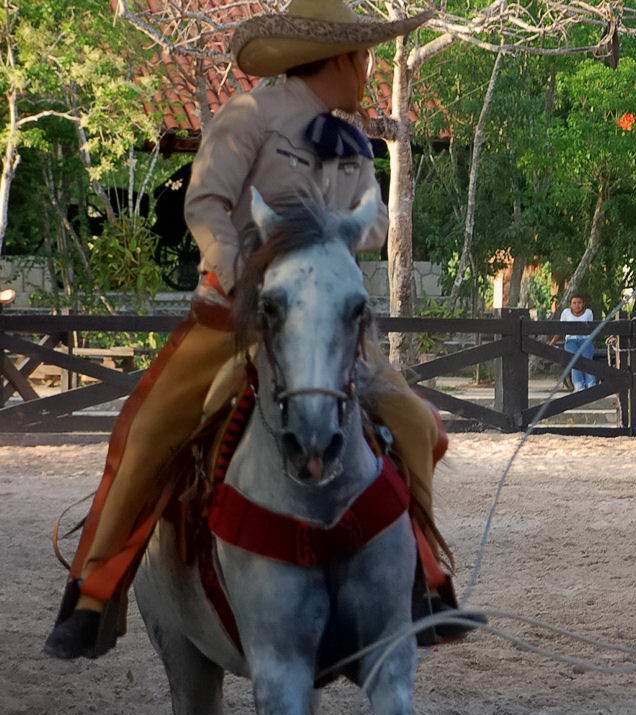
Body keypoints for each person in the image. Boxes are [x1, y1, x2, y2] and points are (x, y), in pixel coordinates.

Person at [45, 0, 479, 660]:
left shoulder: (351, 135)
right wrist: (227, 262)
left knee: (418, 426)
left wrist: (337, 235)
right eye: (362, 55)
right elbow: (207, 201)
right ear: (340, 57)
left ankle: (425, 581)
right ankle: (93, 593)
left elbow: (371, 223)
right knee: (148, 429)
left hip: (323, 318)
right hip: (240, 313)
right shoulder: (246, 116)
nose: (367, 68)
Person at [561, 293, 598, 392]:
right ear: (570, 304)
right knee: (574, 360)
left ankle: (591, 384)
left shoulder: (588, 313)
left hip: (585, 340)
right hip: (571, 340)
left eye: (579, 303)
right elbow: (561, 328)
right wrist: (552, 343)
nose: (577, 305)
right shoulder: (566, 313)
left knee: (587, 359)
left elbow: (589, 329)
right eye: (574, 303)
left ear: (583, 304)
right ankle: (579, 385)